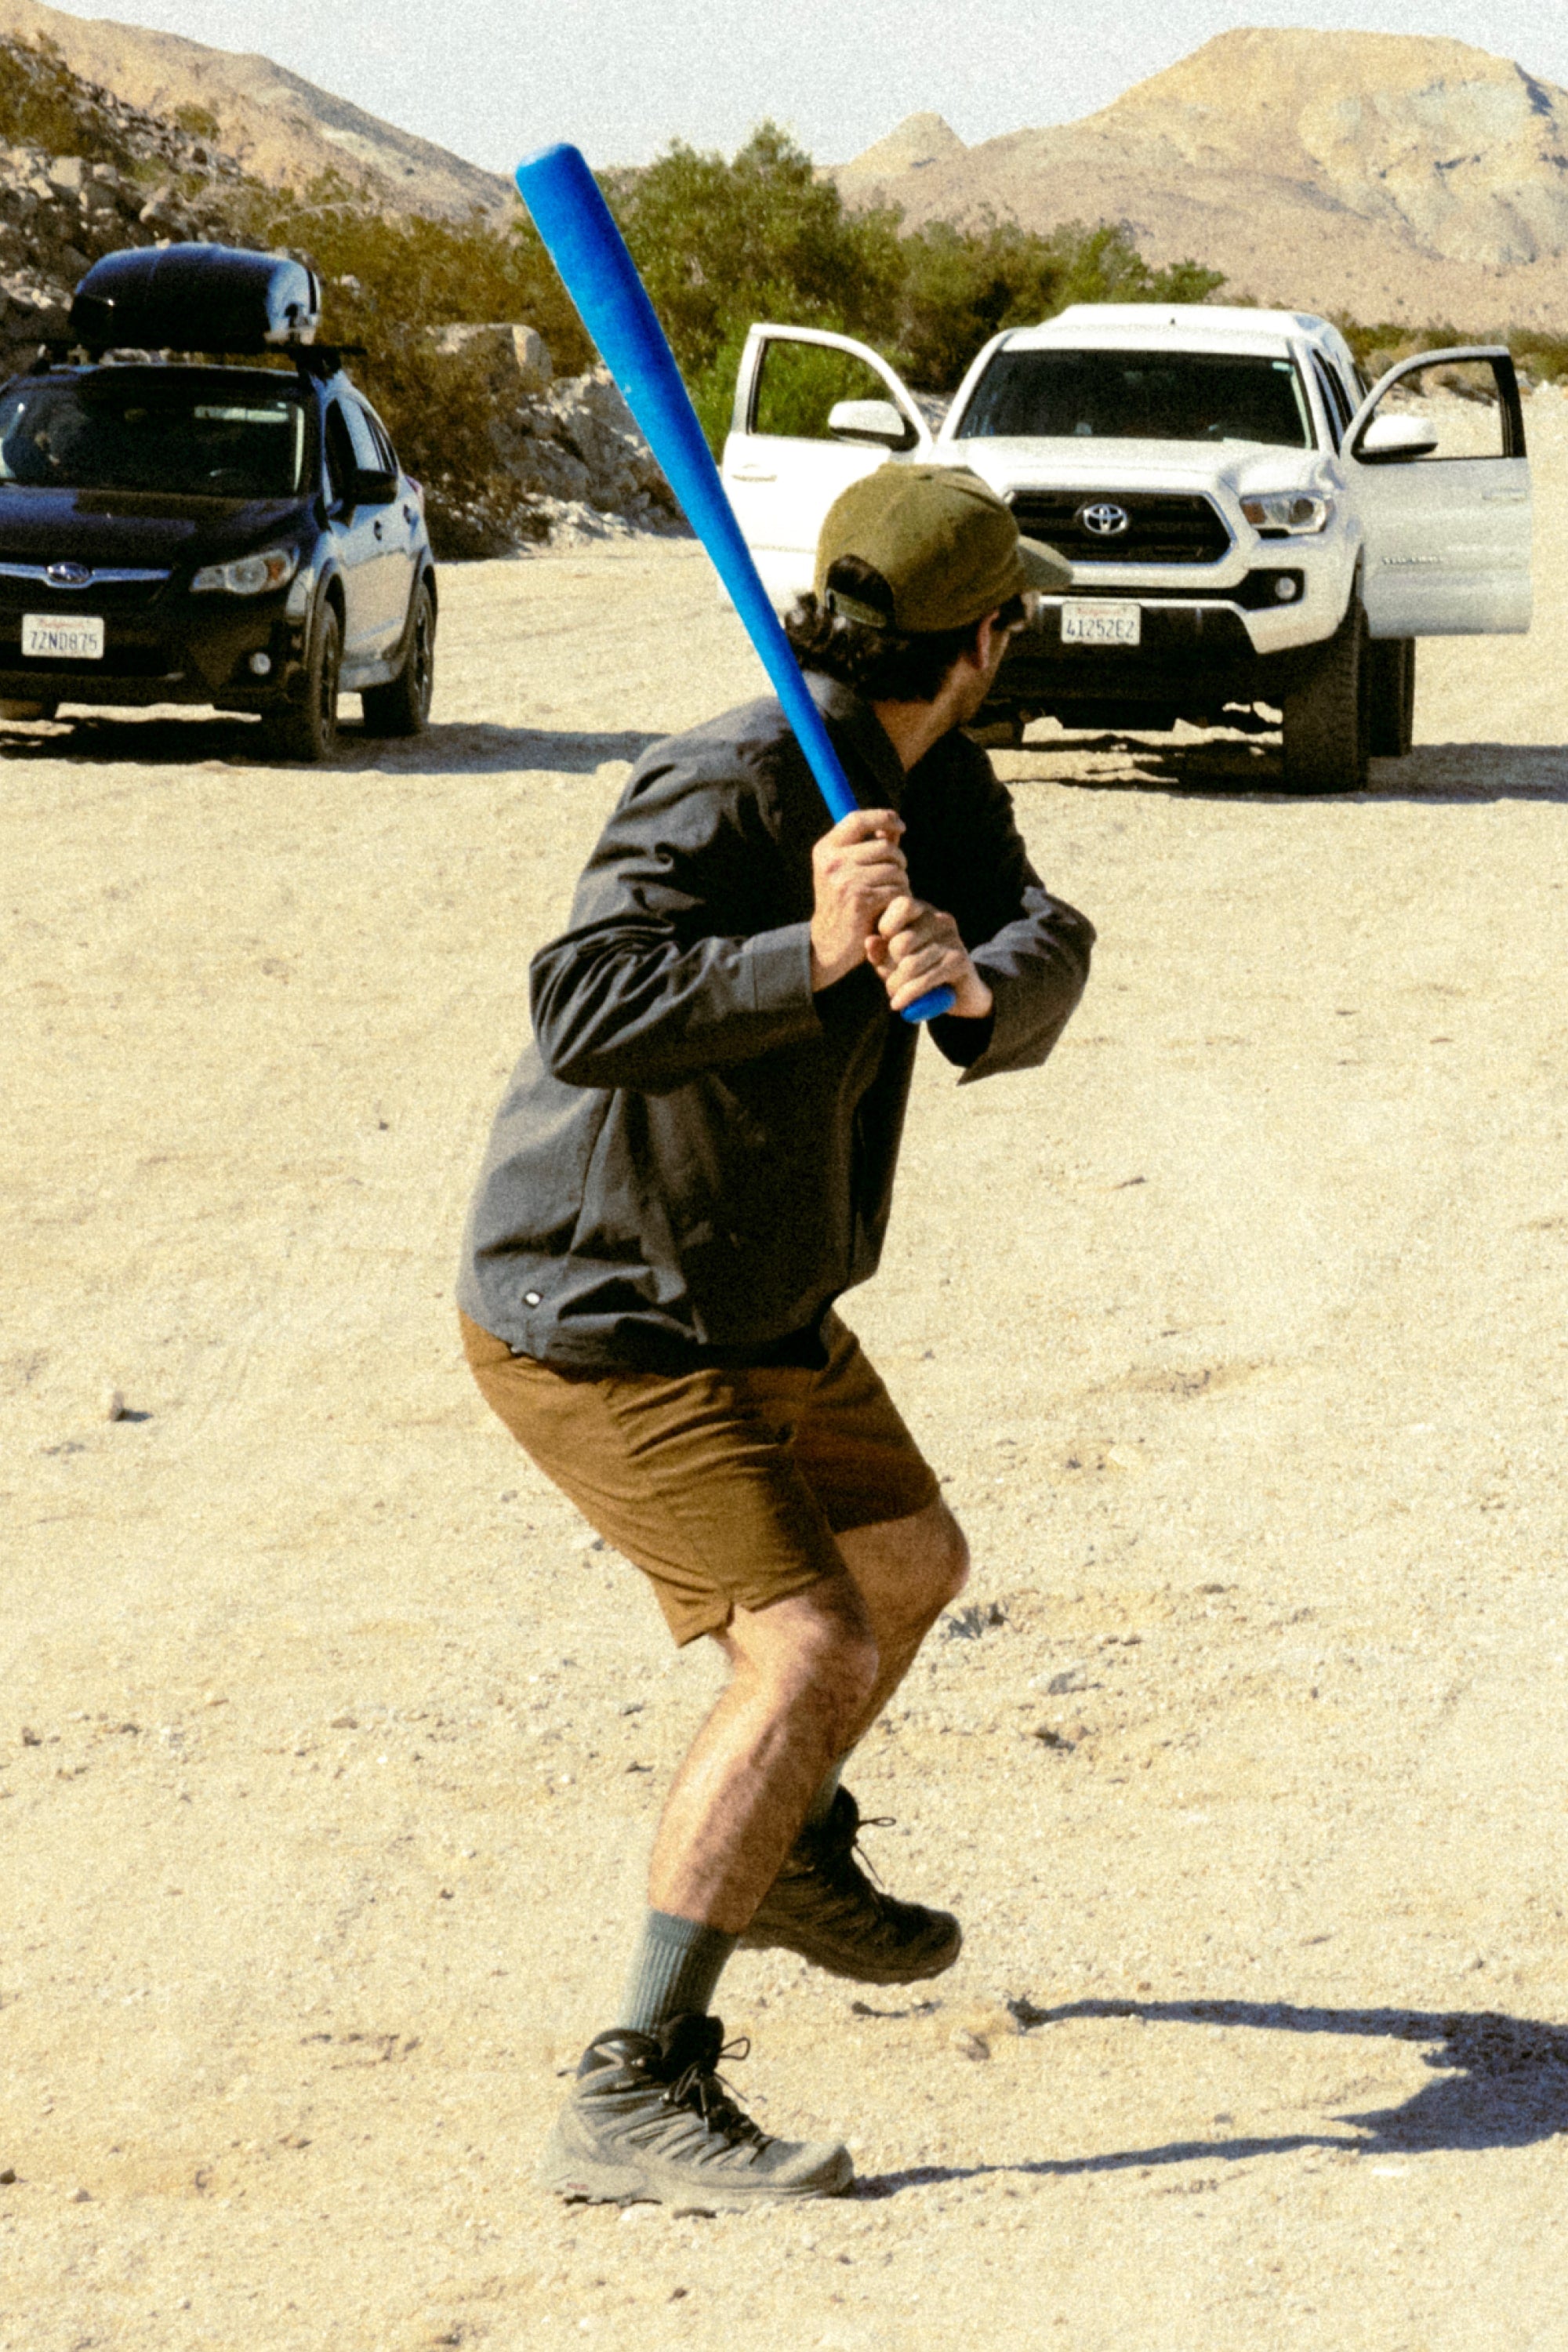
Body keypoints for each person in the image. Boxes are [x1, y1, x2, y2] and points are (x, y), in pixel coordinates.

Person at [458, 464, 1094, 2209]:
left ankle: (789, 1852)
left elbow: (1043, 928)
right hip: (606, 1305)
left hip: (757, 1299)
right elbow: (582, 1002)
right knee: (806, 1648)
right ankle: (633, 2084)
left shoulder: (931, 780)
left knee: (907, 1561)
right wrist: (802, 951)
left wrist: (972, 976)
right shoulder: (743, 772)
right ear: (988, 636)